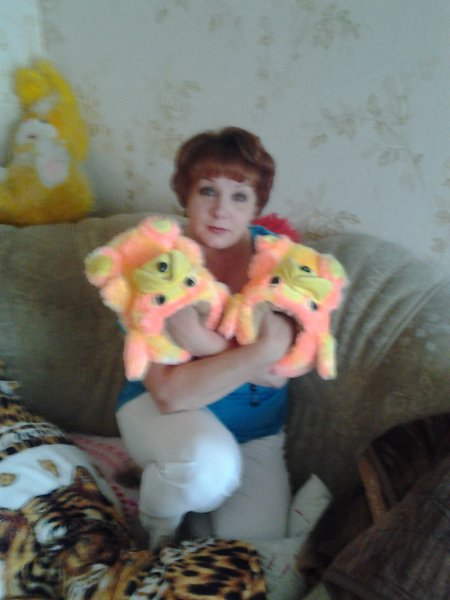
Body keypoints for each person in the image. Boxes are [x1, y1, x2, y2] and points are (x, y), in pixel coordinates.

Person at [116, 126, 296, 550]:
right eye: (208, 191)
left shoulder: (279, 261)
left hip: (256, 433)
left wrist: (202, 343)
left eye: (239, 196)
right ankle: (156, 529)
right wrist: (260, 352)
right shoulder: (156, 263)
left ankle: (169, 485)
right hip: (162, 416)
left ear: (256, 206)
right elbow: (170, 394)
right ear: (186, 194)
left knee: (252, 551)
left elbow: (280, 371)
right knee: (205, 469)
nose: (221, 211)